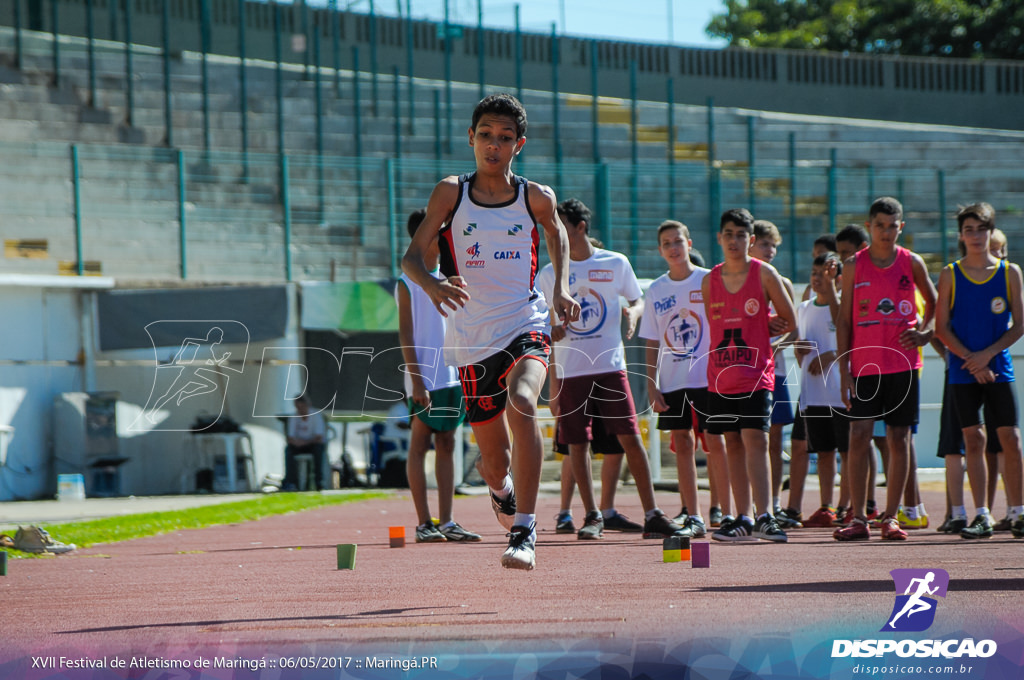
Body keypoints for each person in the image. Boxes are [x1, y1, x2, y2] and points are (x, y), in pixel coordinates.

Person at [401, 93, 580, 570]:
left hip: (526, 321)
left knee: (523, 403)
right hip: (471, 338)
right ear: (471, 138)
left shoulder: (535, 196)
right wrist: (435, 287)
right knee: (493, 462)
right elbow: (411, 260)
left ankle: (524, 528)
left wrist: (560, 288)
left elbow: (557, 232)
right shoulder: (450, 193)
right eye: (485, 136)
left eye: (504, 138)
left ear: (518, 144)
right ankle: (500, 488)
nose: (493, 146)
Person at [538, 199, 685, 541]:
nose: (552, 234)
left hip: (610, 367)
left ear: (580, 227)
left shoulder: (615, 263)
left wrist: (632, 313)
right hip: (571, 370)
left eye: (558, 226)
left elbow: (637, 300)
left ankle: (652, 513)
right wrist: (552, 333)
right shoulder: (548, 274)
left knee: (631, 437)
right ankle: (592, 516)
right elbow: (543, 324)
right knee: (577, 445)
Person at [834, 197, 937, 542]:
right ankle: (860, 517)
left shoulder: (912, 262)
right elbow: (844, 319)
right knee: (859, 435)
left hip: (903, 364)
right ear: (869, 226)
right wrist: (844, 369)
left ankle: (891, 518)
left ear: (901, 227)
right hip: (864, 365)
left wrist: (925, 332)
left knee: (898, 438)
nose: (886, 232)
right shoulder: (853, 265)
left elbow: (937, 304)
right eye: (880, 225)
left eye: (893, 226)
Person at [703, 208, 796, 542]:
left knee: (757, 439)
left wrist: (769, 342)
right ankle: (741, 516)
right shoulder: (709, 280)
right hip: (720, 376)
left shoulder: (765, 274)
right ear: (719, 238)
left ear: (751, 239)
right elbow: (715, 328)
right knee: (732, 442)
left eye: (741, 235)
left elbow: (791, 322)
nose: (734, 240)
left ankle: (766, 515)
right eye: (728, 234)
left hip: (757, 375)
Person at [935, 202, 1024, 539]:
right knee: (974, 438)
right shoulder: (950, 274)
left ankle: (1018, 511)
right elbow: (941, 327)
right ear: (961, 235)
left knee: (1011, 438)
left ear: (991, 231)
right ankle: (981, 514)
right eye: (969, 230)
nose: (975, 236)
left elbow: (1020, 325)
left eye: (981, 229)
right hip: (963, 371)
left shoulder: (1009, 272)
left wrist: (986, 356)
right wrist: (972, 360)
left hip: (998, 367)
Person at [396, 208, 481, 544]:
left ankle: (447, 521)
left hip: (453, 374)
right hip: (424, 377)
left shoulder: (453, 277)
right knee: (420, 444)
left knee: (447, 443)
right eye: (439, 232)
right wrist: (416, 380)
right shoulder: (408, 283)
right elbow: (406, 335)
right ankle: (423, 523)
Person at [641, 220, 729, 539]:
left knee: (716, 441)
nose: (673, 248)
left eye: (678, 241)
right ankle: (694, 516)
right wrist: (651, 383)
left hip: (709, 376)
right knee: (682, 444)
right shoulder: (656, 290)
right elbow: (651, 341)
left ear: (689, 244)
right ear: (660, 250)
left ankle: (727, 512)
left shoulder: (709, 279)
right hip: (672, 379)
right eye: (666, 243)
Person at [790, 253, 847, 527]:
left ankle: (848, 506)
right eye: (814, 272)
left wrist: (831, 355)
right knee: (824, 452)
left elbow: (851, 344)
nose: (817, 278)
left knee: (847, 452)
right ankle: (827, 506)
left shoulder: (842, 307)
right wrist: (799, 350)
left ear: (837, 278)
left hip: (841, 393)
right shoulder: (803, 309)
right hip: (813, 395)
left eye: (824, 273)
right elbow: (801, 355)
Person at [749, 220, 799, 527]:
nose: (771, 250)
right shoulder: (740, 281)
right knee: (748, 438)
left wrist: (774, 345)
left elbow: (793, 330)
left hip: (775, 371)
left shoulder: (783, 283)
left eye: (774, 245)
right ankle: (751, 504)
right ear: (752, 244)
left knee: (776, 437)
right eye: (765, 244)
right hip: (746, 371)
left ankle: (775, 505)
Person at [283, 395, 326, 491]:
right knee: (289, 450)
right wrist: (297, 443)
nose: (300, 410)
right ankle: (291, 482)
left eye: (302, 407)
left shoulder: (316, 416)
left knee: (318, 449)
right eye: (298, 407)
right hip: (298, 445)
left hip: (312, 444)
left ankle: (318, 481)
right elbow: (290, 437)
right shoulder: (294, 417)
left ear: (307, 405)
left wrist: (305, 442)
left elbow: (319, 437)